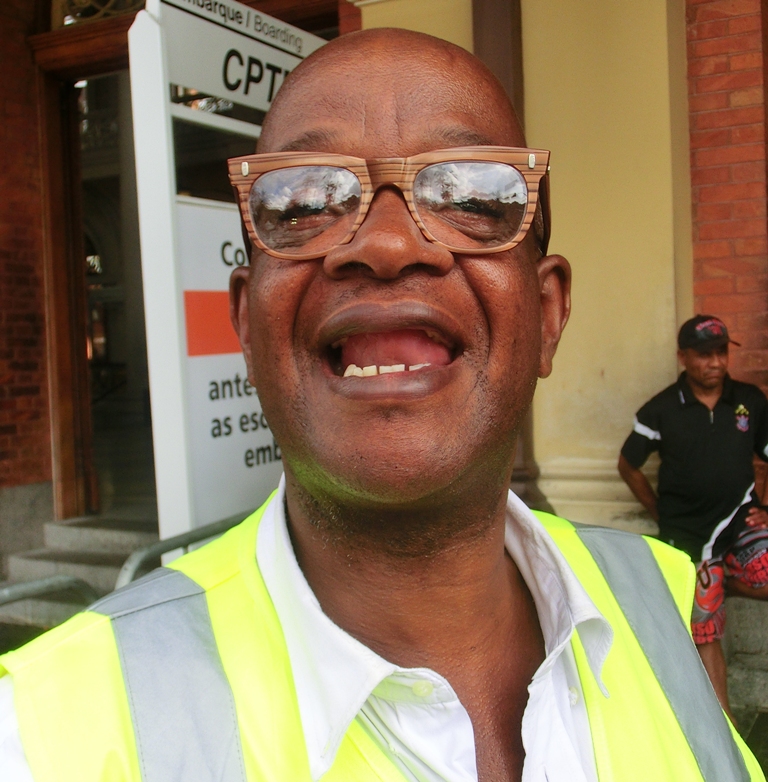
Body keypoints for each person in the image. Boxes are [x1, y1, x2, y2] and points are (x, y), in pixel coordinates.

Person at [0, 29, 763, 782]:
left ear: (547, 313)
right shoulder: (46, 735)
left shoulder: (663, 602)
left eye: (470, 195)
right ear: (246, 326)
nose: (389, 245)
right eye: (304, 200)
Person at [619, 314, 768, 722]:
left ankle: (725, 584)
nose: (715, 362)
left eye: (720, 353)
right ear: (683, 356)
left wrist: (764, 507)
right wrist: (658, 510)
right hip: (688, 535)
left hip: (739, 522)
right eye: (704, 354)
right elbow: (628, 465)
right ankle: (725, 724)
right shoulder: (661, 409)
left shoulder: (750, 400)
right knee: (704, 630)